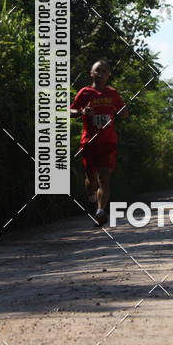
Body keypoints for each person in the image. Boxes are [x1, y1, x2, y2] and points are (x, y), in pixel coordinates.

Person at [70, 59, 128, 226]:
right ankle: (91, 198)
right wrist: (82, 111)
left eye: (104, 71)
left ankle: (101, 211)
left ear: (108, 75)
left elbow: (124, 112)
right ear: (91, 73)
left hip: (108, 141)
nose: (100, 74)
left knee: (104, 176)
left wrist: (123, 111)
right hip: (89, 141)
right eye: (97, 70)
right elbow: (70, 110)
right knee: (91, 178)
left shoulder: (113, 93)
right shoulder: (85, 92)